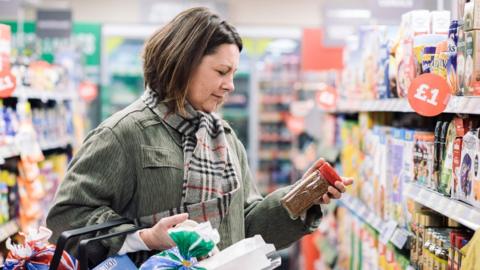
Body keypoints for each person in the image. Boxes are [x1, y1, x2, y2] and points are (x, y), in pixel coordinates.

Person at [46, 7, 353, 267]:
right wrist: (145, 237)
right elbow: (66, 218)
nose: (230, 85)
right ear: (184, 63)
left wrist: (297, 200)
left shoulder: (226, 139)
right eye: (222, 72)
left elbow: (245, 227)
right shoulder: (124, 134)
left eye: (233, 74)